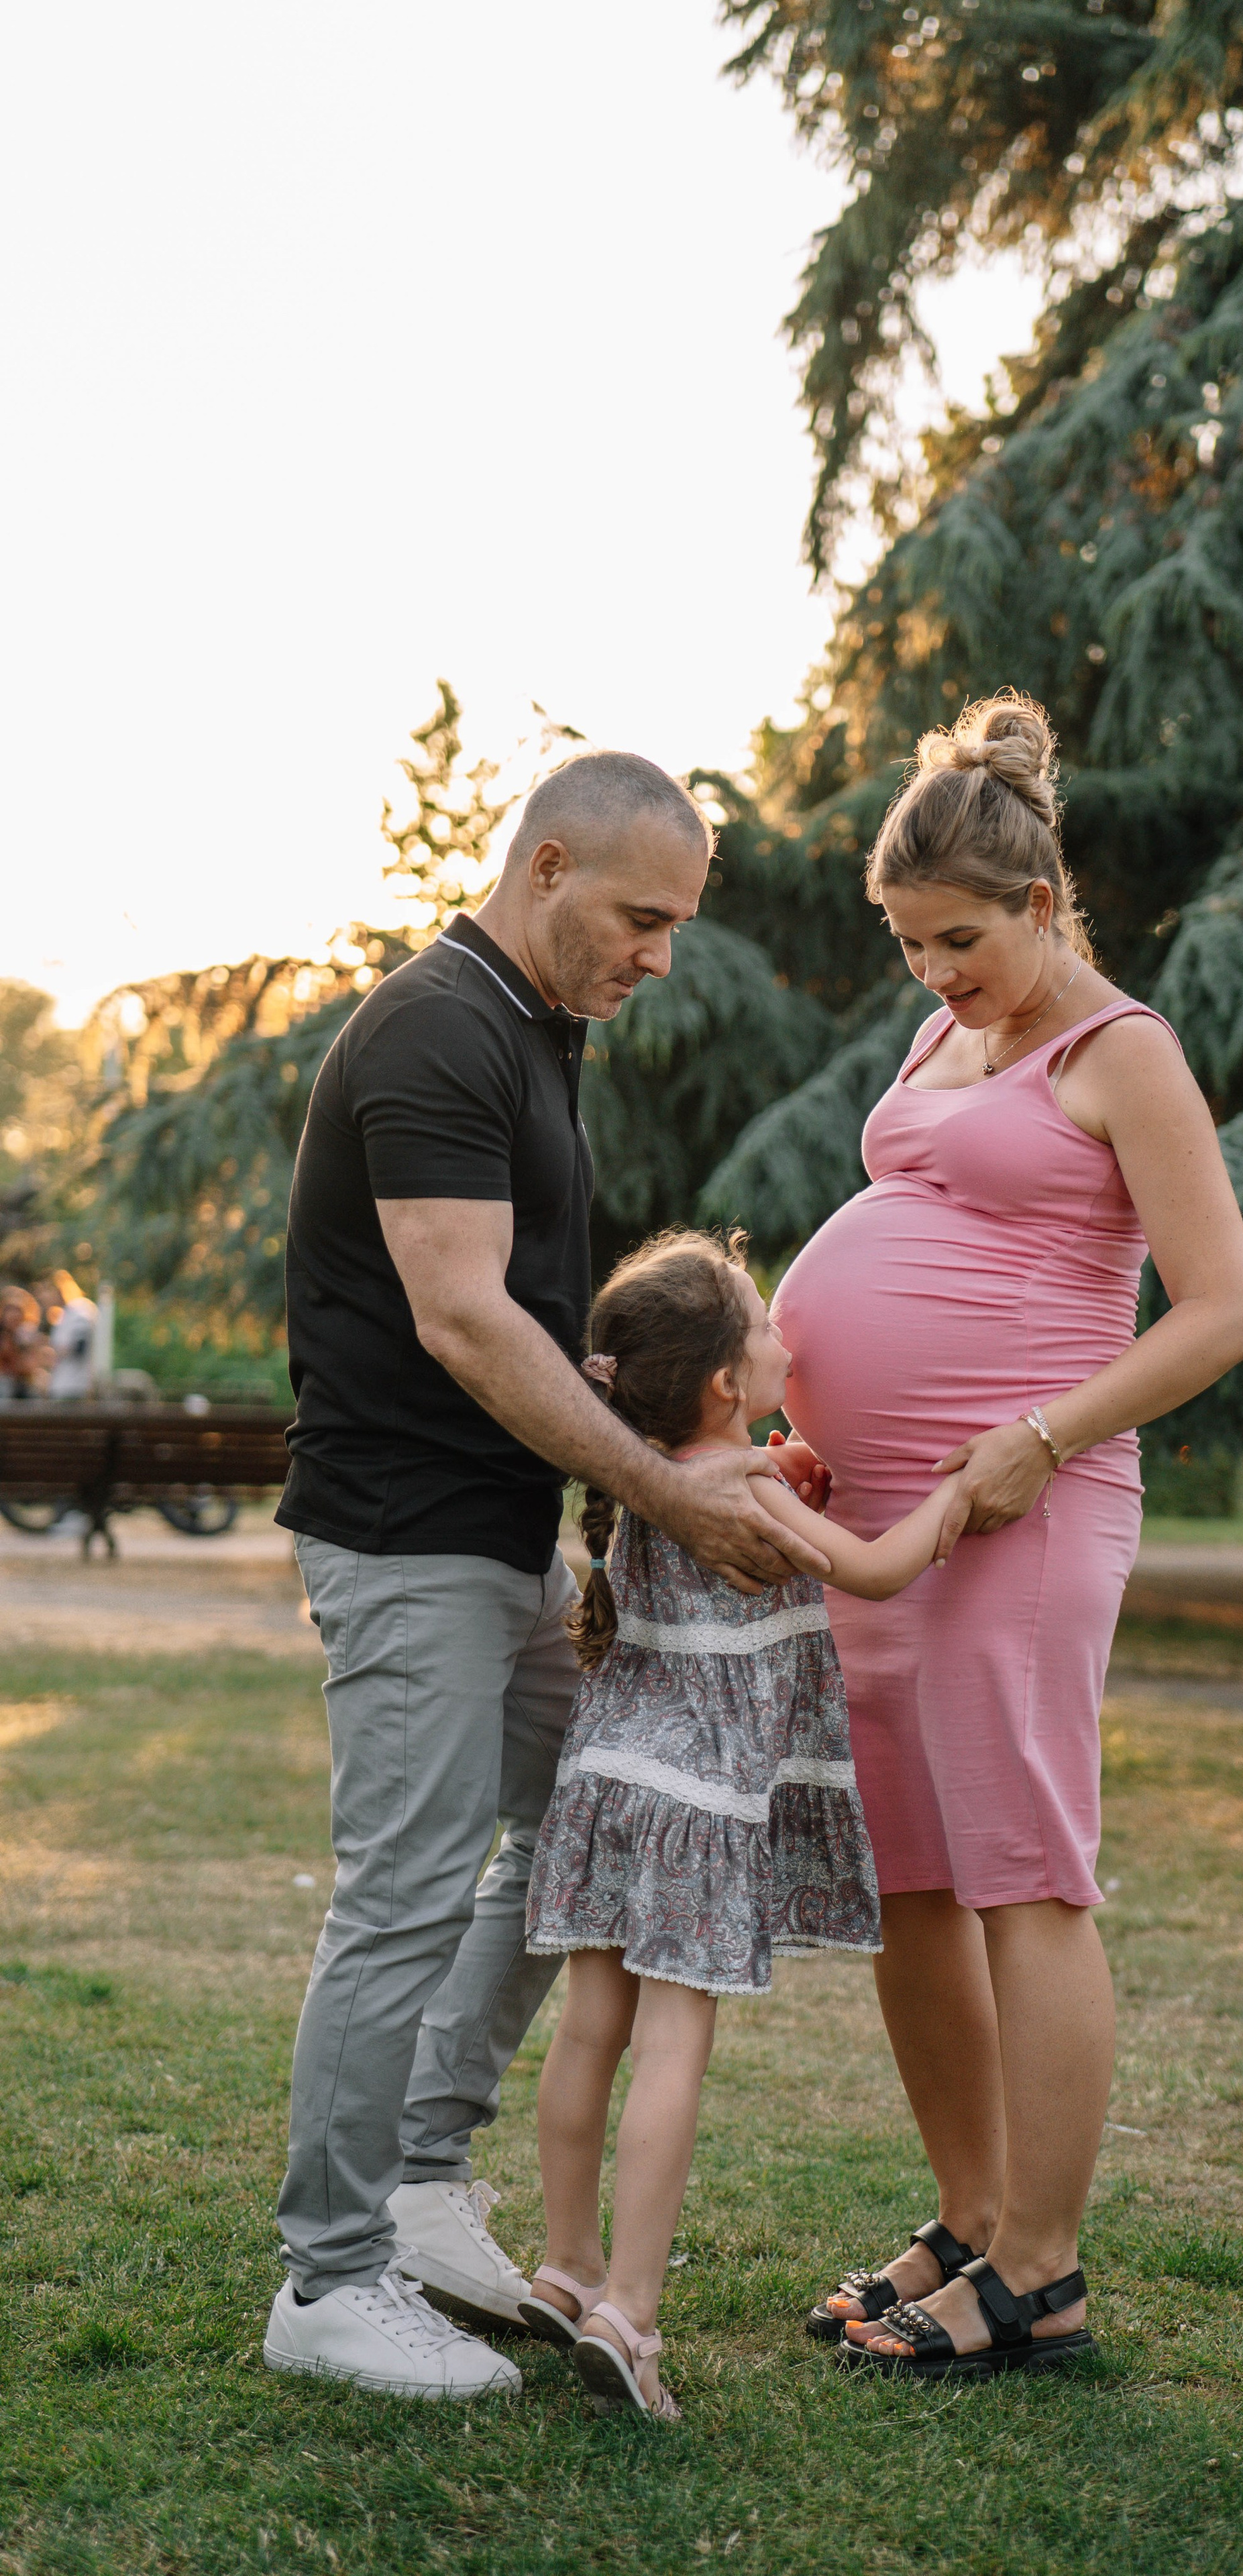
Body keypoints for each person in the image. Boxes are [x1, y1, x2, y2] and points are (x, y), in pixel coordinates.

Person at [263, 751, 833, 2402]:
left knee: (578, 1814)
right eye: (641, 916)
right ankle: (329, 2270)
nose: (660, 954)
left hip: (493, 1534)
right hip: (405, 1533)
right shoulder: (440, 1024)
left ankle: (426, 2177)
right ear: (550, 863)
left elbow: (558, 1324)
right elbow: (461, 1313)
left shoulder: (535, 1035)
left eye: (676, 926)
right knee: (406, 1885)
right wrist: (659, 1484)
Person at [772, 692, 1243, 2382]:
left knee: (1023, 1878)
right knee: (909, 1880)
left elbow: (1216, 1314)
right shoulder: (942, 1037)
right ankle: (970, 2212)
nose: (932, 975)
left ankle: (1038, 2272)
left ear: (1042, 907)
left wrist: (1033, 1439)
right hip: (883, 1523)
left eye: (958, 940)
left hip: (1024, 1505)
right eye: (907, 947)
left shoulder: (1119, 1050)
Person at [518, 1228, 961, 2419]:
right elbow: (871, 1573)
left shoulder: (642, 1476)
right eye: (767, 1326)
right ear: (726, 1381)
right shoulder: (748, 1484)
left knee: (586, 2034)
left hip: (609, 1780)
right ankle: (634, 2314)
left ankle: (565, 2268)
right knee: (673, 2047)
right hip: (701, 1802)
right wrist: (963, 1496)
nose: (786, 1339)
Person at [0, 1286, 48, 1398]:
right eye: (10, 1310)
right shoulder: (4, 1336)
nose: (14, 1315)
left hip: (24, 1383)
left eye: (18, 1311)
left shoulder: (26, 1335)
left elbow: (32, 1364)